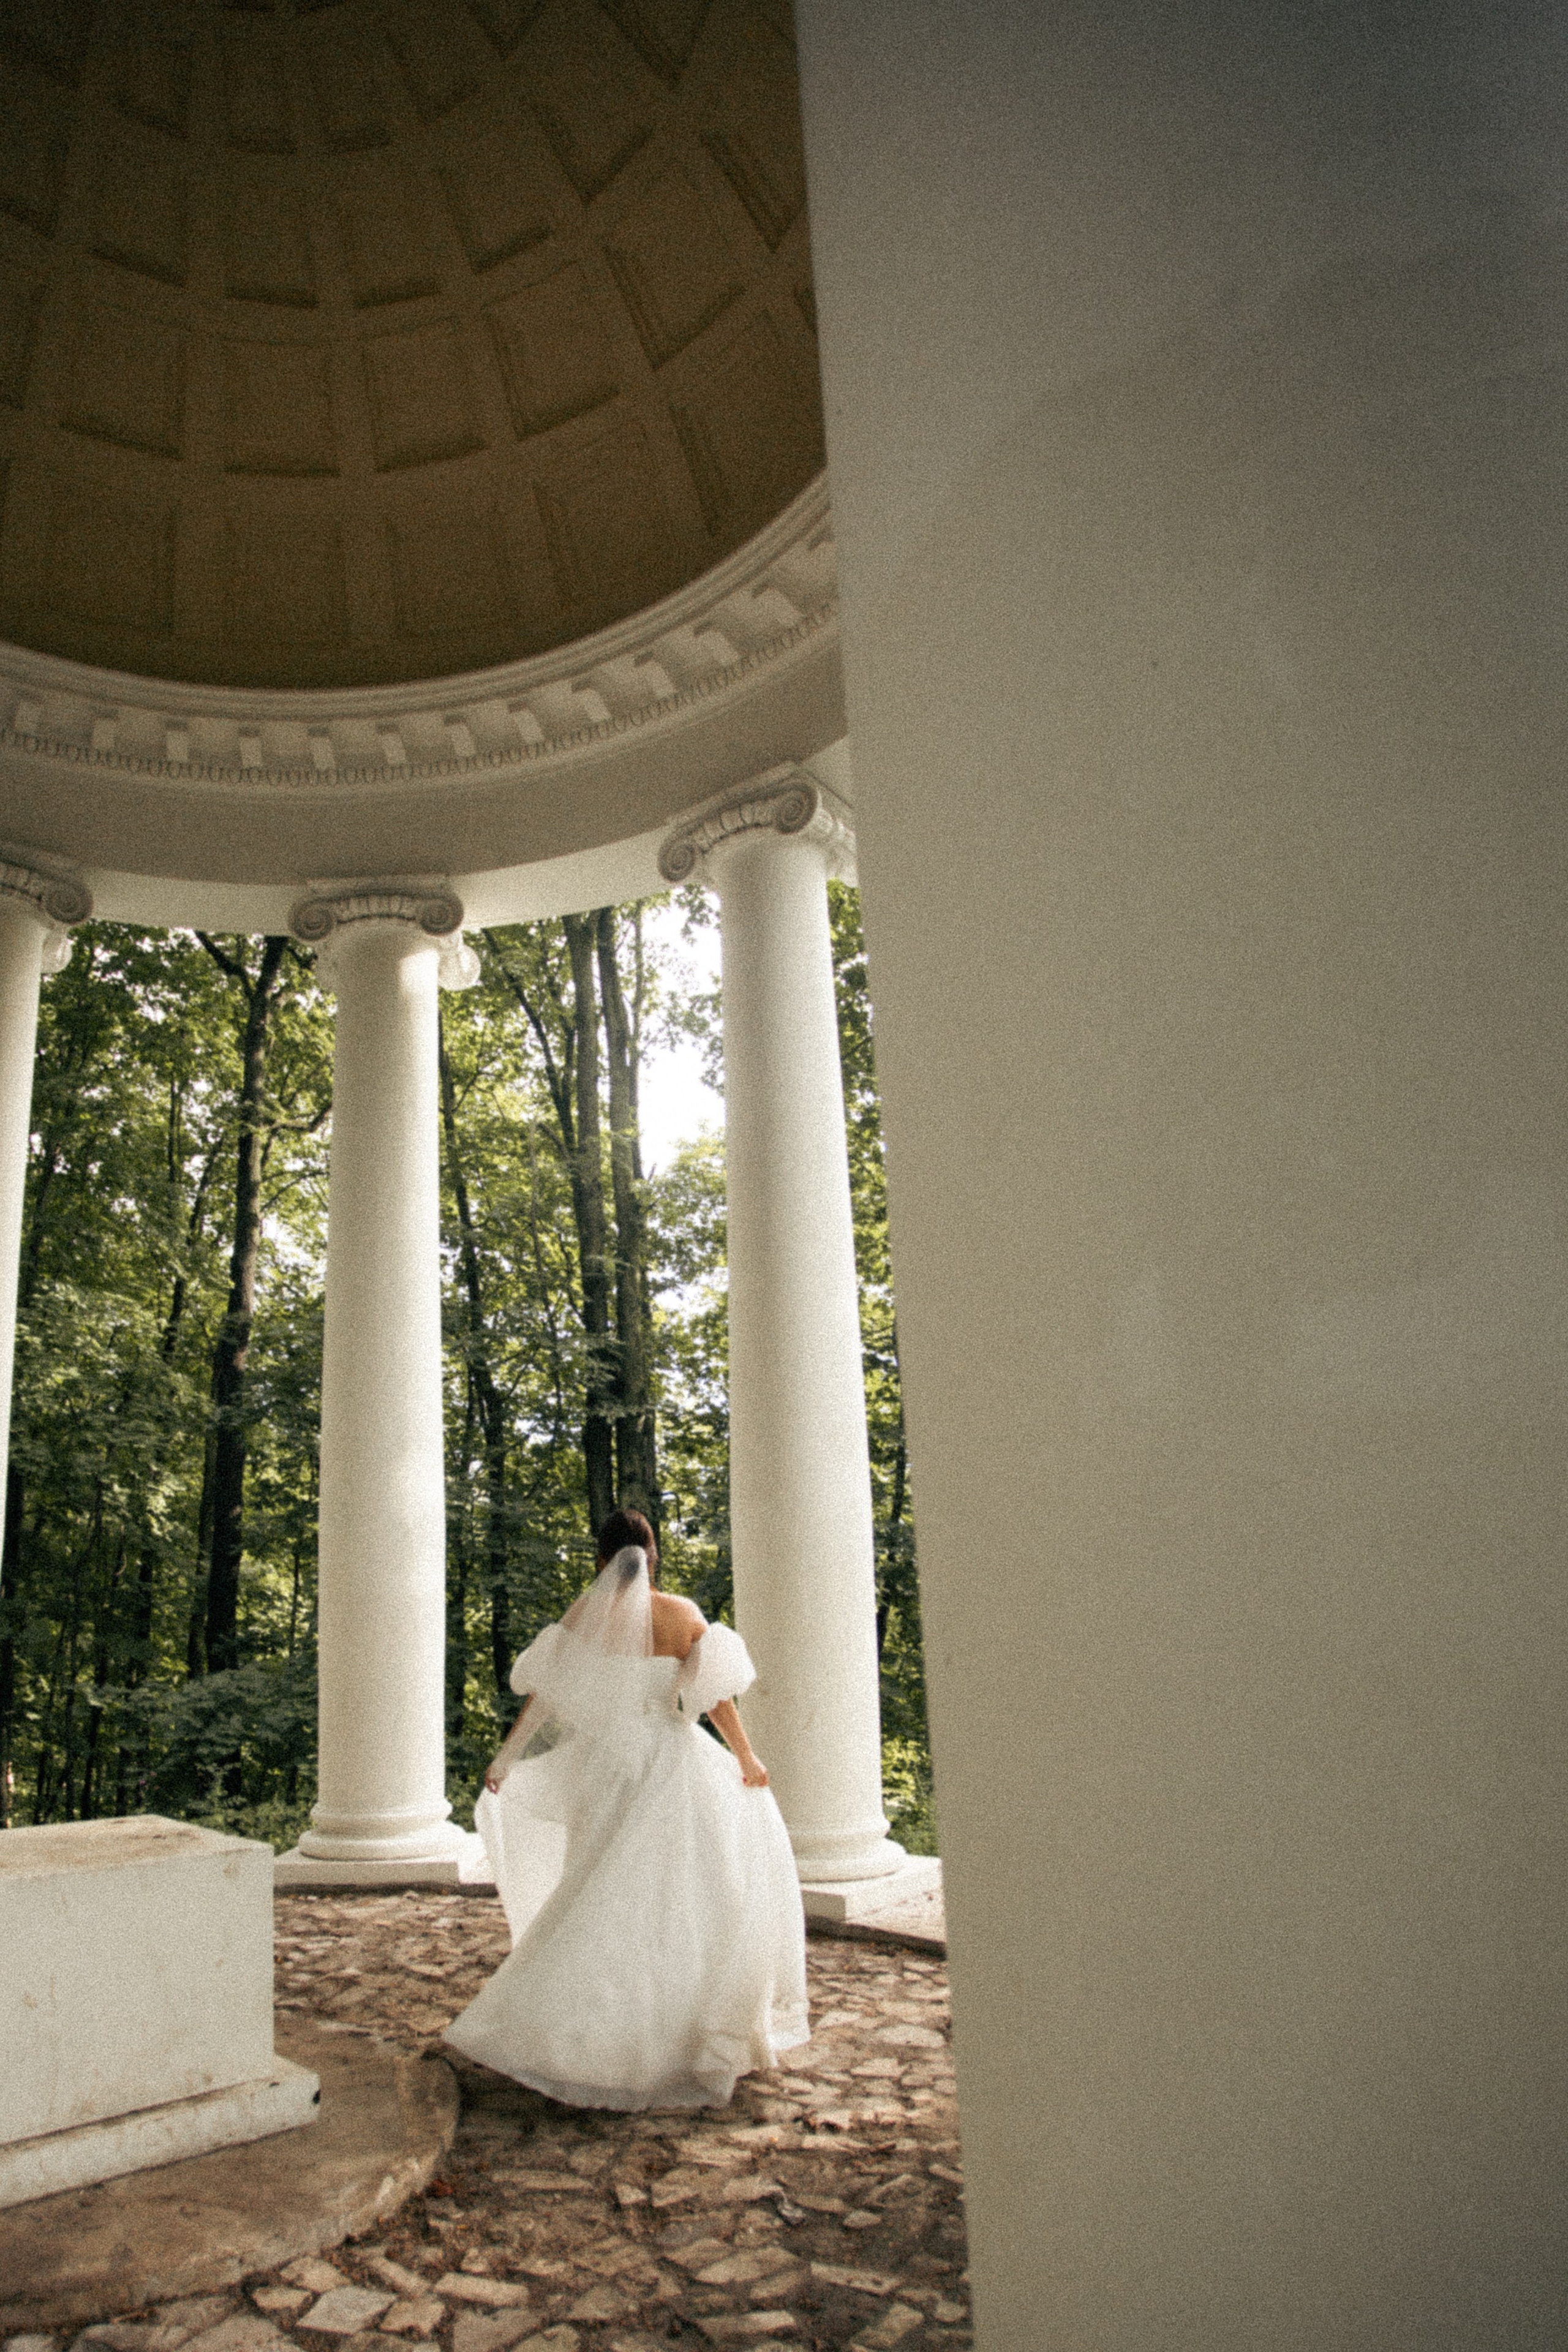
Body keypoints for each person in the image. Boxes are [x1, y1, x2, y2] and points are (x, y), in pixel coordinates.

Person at [443, 1506, 809, 2109]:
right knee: (682, 1894)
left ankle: (589, 2034)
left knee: (594, 1888)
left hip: (604, 1767)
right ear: (653, 1553)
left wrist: (507, 1759)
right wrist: (746, 1757)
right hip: (666, 1761)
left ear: (600, 1558)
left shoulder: (583, 1617)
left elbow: (544, 1698)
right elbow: (714, 1699)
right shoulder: (682, 1616)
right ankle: (681, 2031)